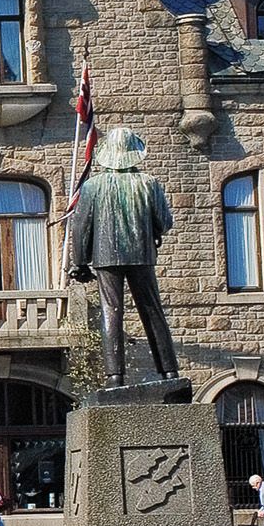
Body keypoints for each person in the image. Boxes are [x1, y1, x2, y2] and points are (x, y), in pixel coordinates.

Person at [64, 127, 181, 388]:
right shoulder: (148, 183)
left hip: (105, 257)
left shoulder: (92, 186)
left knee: (111, 313)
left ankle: (114, 376)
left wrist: (80, 263)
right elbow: (164, 221)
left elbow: (81, 227)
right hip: (141, 253)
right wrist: (151, 229)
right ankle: (170, 372)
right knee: (152, 311)